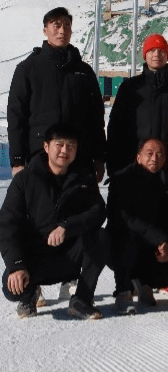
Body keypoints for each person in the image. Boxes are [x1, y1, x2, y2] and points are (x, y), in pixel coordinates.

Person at [0, 123, 108, 320]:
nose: (65, 150)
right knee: (13, 288)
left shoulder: (83, 177)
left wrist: (67, 226)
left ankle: (81, 300)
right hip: (36, 260)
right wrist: (16, 265)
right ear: (46, 146)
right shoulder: (25, 179)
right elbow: (7, 224)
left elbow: (98, 211)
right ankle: (30, 294)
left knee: (102, 237)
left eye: (71, 145)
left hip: (69, 257)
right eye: (59, 144)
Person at [7, 7, 105, 181]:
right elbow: (16, 117)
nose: (62, 30)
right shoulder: (28, 68)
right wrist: (17, 160)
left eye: (67, 25)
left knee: (80, 207)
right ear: (45, 30)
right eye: (56, 25)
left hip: (79, 157)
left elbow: (96, 118)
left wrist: (99, 157)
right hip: (39, 155)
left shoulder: (84, 71)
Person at [106, 138, 168, 315]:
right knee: (126, 237)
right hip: (123, 246)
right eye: (149, 153)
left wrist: (167, 243)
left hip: (154, 249)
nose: (154, 158)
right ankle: (124, 292)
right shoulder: (121, 180)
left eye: (159, 154)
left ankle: (145, 282)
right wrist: (159, 238)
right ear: (138, 157)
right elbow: (122, 218)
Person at [107, 33, 168, 181]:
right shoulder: (130, 87)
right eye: (152, 50)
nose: (157, 54)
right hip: (132, 166)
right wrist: (113, 165)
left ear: (167, 55)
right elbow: (115, 128)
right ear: (144, 55)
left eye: (161, 51)